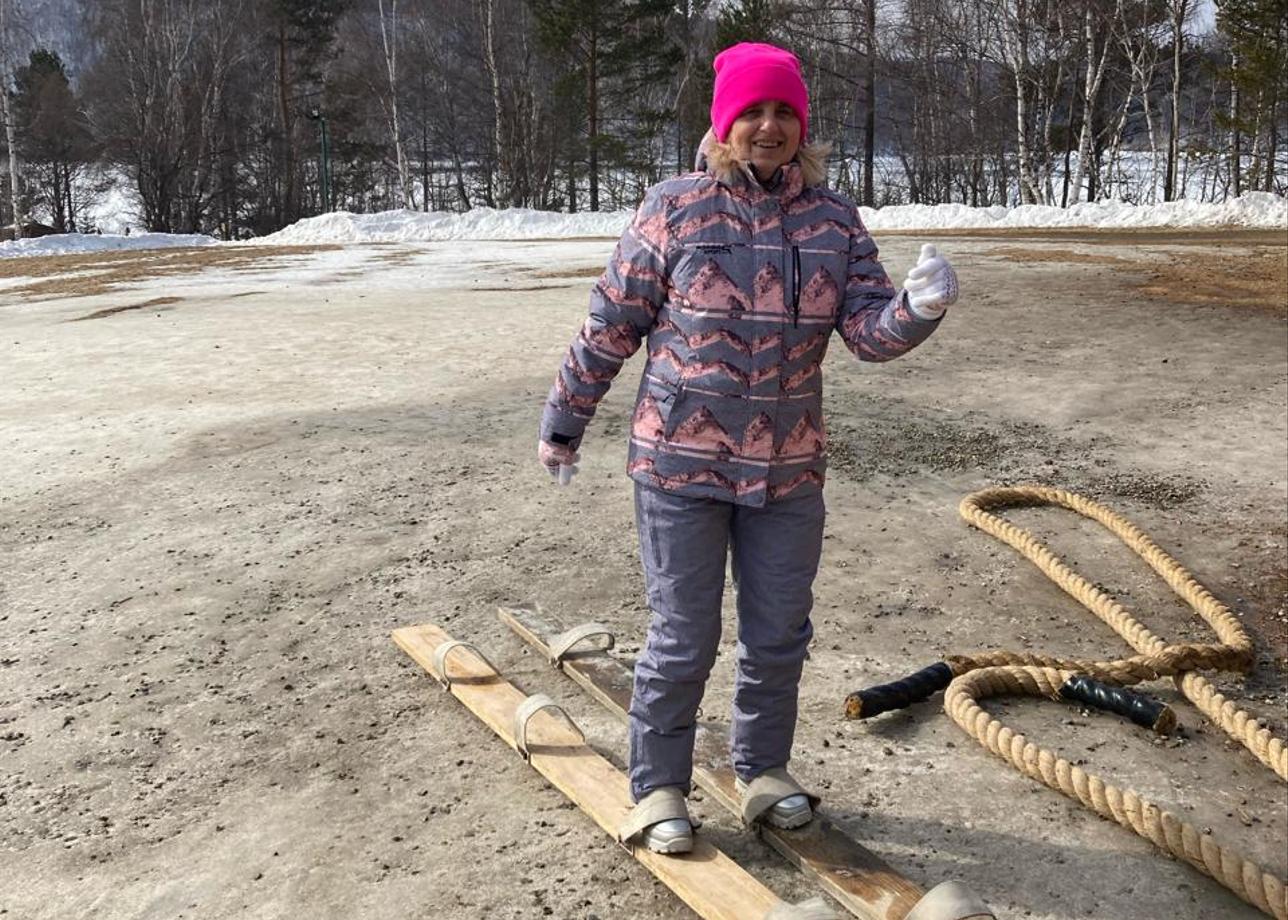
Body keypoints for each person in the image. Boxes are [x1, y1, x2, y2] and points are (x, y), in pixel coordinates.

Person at [537, 42, 960, 854]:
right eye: (752, 112)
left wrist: (916, 307)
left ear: (802, 124)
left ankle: (763, 772)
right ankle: (659, 786)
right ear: (724, 124)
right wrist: (565, 422)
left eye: (784, 112)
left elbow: (869, 336)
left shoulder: (834, 220)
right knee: (681, 635)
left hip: (789, 471)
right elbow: (610, 326)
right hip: (679, 468)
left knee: (777, 634)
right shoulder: (674, 208)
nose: (769, 126)